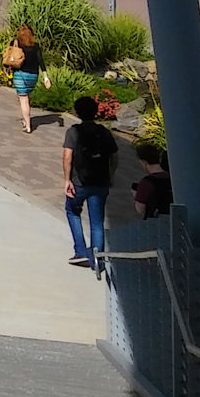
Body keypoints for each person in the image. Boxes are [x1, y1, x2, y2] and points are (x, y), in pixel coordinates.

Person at [63, 95, 119, 271]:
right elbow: (115, 156)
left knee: (72, 211)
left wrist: (67, 179)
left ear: (77, 112)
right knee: (97, 222)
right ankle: (98, 258)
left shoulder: (73, 132)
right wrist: (110, 174)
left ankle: (80, 251)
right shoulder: (104, 132)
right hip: (101, 181)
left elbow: (67, 157)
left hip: (80, 182)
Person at [7, 24, 42, 134]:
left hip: (20, 74)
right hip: (33, 76)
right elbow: (41, 61)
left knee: (23, 99)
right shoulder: (36, 46)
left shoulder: (16, 43)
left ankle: (28, 125)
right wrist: (45, 77)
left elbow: (9, 55)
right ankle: (25, 119)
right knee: (26, 98)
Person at [132, 145, 173, 219]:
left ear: (144, 162)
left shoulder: (146, 183)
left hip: (154, 222)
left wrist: (136, 195)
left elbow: (140, 209)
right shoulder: (171, 178)